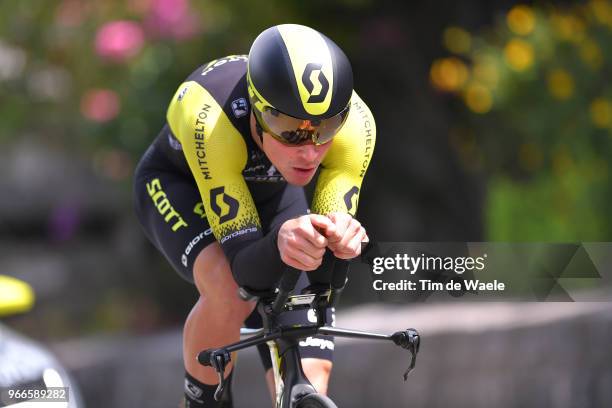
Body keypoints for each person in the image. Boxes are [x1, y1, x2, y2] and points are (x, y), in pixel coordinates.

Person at [133, 23, 376, 407]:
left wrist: (341, 241)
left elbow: (323, 276)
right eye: (288, 131)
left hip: (273, 193)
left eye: (325, 129)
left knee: (312, 371)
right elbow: (247, 270)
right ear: (257, 113)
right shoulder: (210, 118)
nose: (310, 151)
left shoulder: (357, 125)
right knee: (230, 291)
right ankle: (202, 401)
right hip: (181, 186)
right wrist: (281, 244)